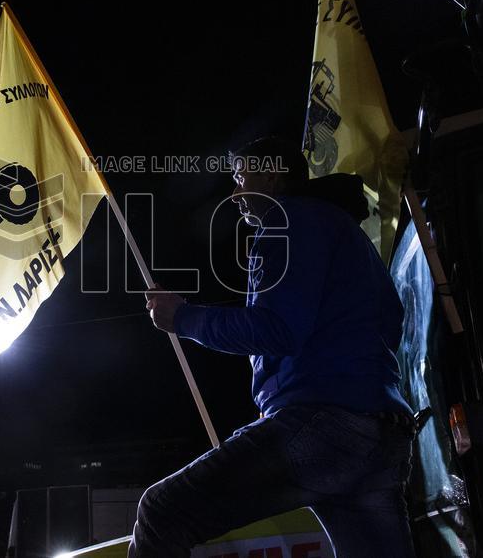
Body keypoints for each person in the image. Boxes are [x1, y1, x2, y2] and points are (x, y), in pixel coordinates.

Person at [133, 136, 416, 557]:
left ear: (272, 174)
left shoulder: (290, 223)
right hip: (381, 434)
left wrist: (182, 318)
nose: (234, 193)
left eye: (240, 177)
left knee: (162, 510)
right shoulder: (344, 233)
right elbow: (391, 323)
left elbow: (276, 329)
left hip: (323, 424)